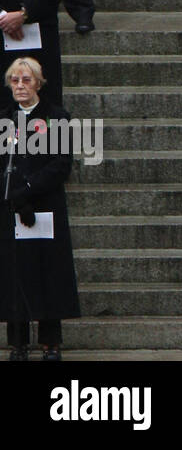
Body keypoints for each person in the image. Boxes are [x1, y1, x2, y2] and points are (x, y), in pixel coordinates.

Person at [1, 57, 80, 362]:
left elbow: (60, 165)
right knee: (14, 273)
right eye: (14, 81)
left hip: (45, 205)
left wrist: (30, 190)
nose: (20, 86)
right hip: (11, 206)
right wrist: (16, 197)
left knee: (48, 271)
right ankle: (18, 343)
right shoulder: (4, 120)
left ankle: (51, 342)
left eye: (26, 80)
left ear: (38, 83)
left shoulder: (56, 118)